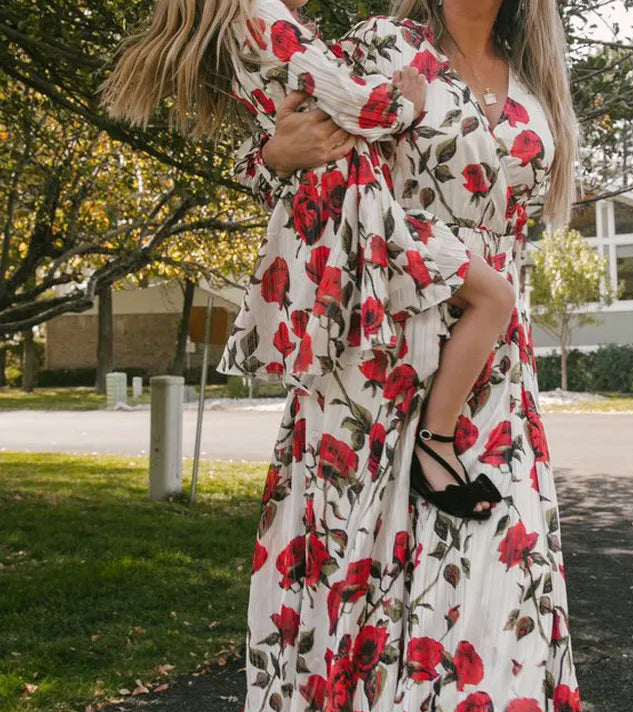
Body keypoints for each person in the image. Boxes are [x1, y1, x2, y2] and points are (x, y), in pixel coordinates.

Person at [232, 1, 604, 712]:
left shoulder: (539, 82)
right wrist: (271, 153)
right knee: (377, 598)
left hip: (498, 382)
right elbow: (298, 138)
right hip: (387, 361)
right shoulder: (385, 45)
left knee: (504, 593)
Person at [99, 0, 512, 518]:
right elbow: (350, 107)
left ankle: (423, 449)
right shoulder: (266, 18)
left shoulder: (245, 30)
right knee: (494, 297)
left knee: (459, 307)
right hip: (358, 206)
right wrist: (408, 104)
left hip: (338, 208)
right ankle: (435, 443)